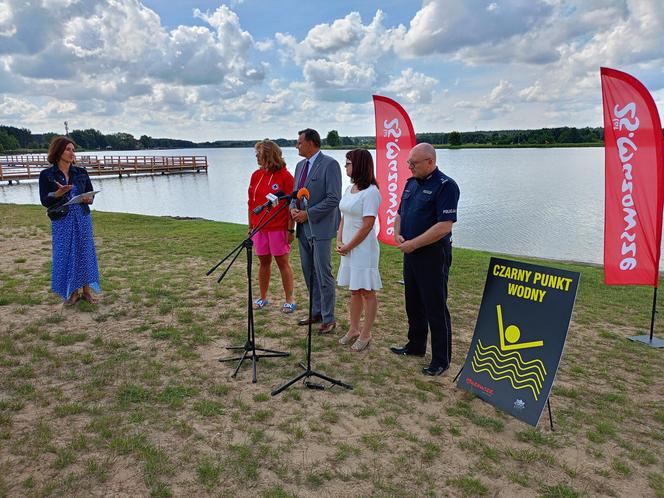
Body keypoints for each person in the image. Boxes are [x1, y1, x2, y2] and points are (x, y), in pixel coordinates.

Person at [390, 143, 460, 376]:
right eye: (409, 162)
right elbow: (400, 213)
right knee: (413, 303)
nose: (409, 167)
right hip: (410, 253)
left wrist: (414, 243)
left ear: (430, 162)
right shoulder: (411, 184)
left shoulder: (446, 186)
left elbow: (443, 226)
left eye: (414, 163)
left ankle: (441, 359)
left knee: (435, 306)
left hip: (432, 255)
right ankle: (416, 345)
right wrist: (397, 232)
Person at [289, 128, 341, 334]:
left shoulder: (330, 164)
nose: (296, 146)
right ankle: (316, 311)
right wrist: (292, 208)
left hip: (320, 228)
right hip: (302, 228)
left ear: (311, 143)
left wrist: (308, 214)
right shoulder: (300, 166)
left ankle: (329, 318)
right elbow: (295, 194)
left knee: (323, 273)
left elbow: (333, 199)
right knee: (308, 272)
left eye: (299, 142)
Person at [39, 136, 101, 305]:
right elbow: (45, 200)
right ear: (58, 152)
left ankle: (87, 291)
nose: (72, 153)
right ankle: (72, 292)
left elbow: (89, 193)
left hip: (81, 217)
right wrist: (56, 194)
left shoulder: (81, 173)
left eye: (73, 150)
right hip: (62, 220)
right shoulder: (47, 175)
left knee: (84, 252)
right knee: (66, 254)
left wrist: (89, 199)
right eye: (68, 149)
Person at [336, 149, 382, 352]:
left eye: (348, 163)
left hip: (363, 248)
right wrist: (339, 239)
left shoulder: (371, 192)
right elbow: (344, 216)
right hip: (347, 246)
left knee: (367, 291)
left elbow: (367, 225)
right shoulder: (350, 189)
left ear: (359, 165)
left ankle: (366, 332)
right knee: (354, 290)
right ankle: (353, 328)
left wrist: (349, 245)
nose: (345, 166)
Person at [247, 139, 296, 313]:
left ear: (269, 155)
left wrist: (291, 229)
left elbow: (292, 205)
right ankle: (262, 297)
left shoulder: (286, 177)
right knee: (263, 263)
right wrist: (251, 226)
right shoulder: (256, 175)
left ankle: (289, 299)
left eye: (258, 154)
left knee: (282, 263)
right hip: (260, 228)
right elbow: (251, 204)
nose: (256, 157)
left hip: (278, 228)